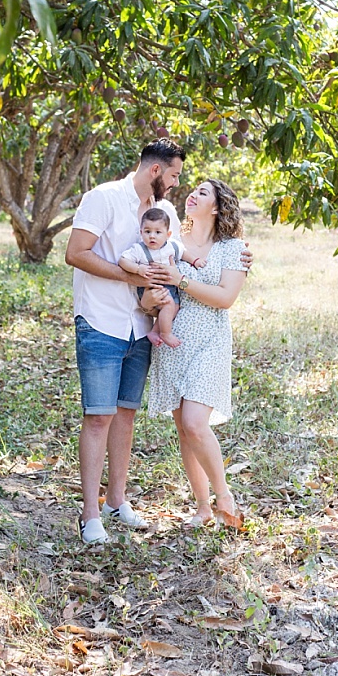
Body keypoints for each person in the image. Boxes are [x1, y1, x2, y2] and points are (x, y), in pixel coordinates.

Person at [65, 140, 186, 545]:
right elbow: (75, 253)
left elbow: (180, 256)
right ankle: (90, 515)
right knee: (98, 416)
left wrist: (236, 254)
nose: (175, 183)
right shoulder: (103, 198)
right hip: (100, 321)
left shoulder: (164, 213)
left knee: (125, 414)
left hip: (142, 326)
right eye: (173, 175)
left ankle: (117, 501)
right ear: (155, 171)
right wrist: (131, 279)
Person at [146, 178, 249, 529]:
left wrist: (181, 281)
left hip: (210, 341)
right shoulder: (172, 243)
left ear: (217, 207)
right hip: (174, 339)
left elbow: (225, 298)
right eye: (194, 190)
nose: (193, 194)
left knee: (195, 422)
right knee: (184, 429)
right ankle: (203, 507)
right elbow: (152, 283)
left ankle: (225, 499)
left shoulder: (234, 248)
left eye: (203, 193)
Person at [118, 207, 190, 349]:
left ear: (168, 234)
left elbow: (184, 253)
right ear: (141, 232)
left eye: (158, 232)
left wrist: (195, 261)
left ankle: (154, 331)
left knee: (174, 307)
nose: (152, 236)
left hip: (169, 286)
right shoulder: (139, 249)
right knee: (169, 304)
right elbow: (123, 261)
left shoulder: (172, 246)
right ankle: (165, 333)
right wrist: (138, 269)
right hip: (150, 287)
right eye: (147, 231)